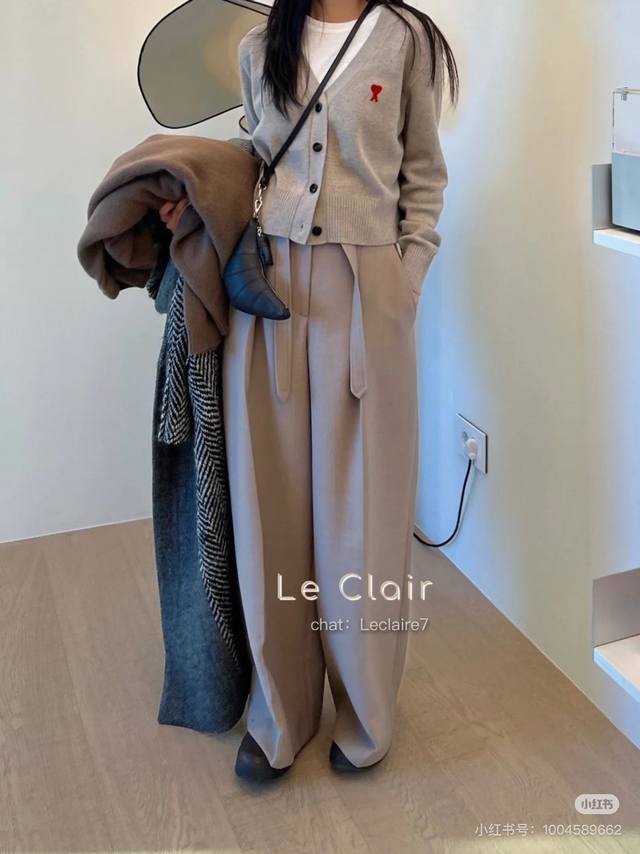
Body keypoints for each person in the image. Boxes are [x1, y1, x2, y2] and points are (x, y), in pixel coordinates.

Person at [161, 0, 458, 782]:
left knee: (364, 509)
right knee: (271, 502)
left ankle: (365, 712)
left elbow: (424, 178)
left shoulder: (407, 40)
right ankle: (279, 712)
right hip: (270, 288)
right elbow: (255, 163)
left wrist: (403, 285)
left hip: (368, 289)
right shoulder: (261, 45)